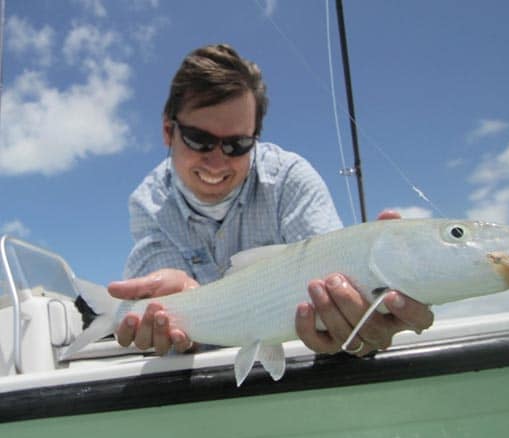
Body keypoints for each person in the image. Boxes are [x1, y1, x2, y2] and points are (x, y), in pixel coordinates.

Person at [107, 43, 433, 357]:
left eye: (237, 145)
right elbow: (172, 317)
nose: (217, 163)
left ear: (256, 139)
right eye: (199, 140)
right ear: (168, 131)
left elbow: (333, 277)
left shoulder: (291, 178)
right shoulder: (148, 203)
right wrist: (171, 321)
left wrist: (359, 324)